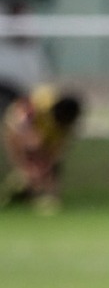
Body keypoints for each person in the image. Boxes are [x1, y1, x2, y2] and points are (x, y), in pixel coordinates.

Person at [4, 84, 85, 214]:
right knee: (31, 158)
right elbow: (19, 120)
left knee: (47, 164)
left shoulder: (66, 126)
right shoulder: (42, 102)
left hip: (44, 135)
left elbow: (58, 150)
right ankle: (25, 189)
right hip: (18, 130)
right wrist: (30, 137)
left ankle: (40, 194)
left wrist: (49, 162)